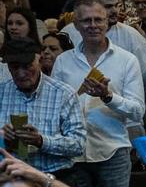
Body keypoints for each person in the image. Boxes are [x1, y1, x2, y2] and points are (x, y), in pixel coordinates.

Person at [48, 0, 144, 187]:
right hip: (73, 154)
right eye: (86, 20)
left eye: (98, 19)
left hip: (112, 151)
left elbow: (137, 110)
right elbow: (54, 107)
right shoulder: (63, 61)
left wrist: (109, 96)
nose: (93, 25)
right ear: (76, 25)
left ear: (107, 22)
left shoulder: (126, 60)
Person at [0, 36, 85, 178]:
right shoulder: (2, 92)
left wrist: (41, 141)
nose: (21, 73)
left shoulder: (63, 94)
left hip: (54, 176)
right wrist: (3, 137)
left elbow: (79, 144)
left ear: (39, 59)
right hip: (10, 178)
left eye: (27, 66)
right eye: (14, 67)